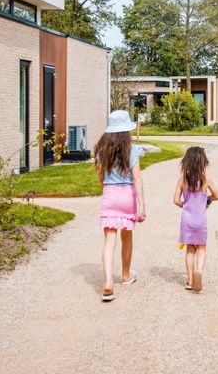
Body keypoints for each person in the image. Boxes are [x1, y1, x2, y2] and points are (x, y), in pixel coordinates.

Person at [94, 110, 147, 301]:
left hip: (110, 194)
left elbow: (101, 177)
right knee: (127, 237)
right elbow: (137, 177)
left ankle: (108, 282)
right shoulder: (132, 150)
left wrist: (106, 190)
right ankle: (125, 275)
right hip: (127, 195)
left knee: (109, 240)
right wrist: (142, 204)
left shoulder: (102, 151)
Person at [173, 147, 218, 292]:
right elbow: (217, 196)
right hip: (200, 219)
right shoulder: (206, 179)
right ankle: (199, 271)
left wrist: (187, 205)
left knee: (189, 250)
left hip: (187, 219)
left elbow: (175, 200)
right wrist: (206, 199)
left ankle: (189, 280)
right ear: (203, 163)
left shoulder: (182, 180)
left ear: (186, 162)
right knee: (201, 248)